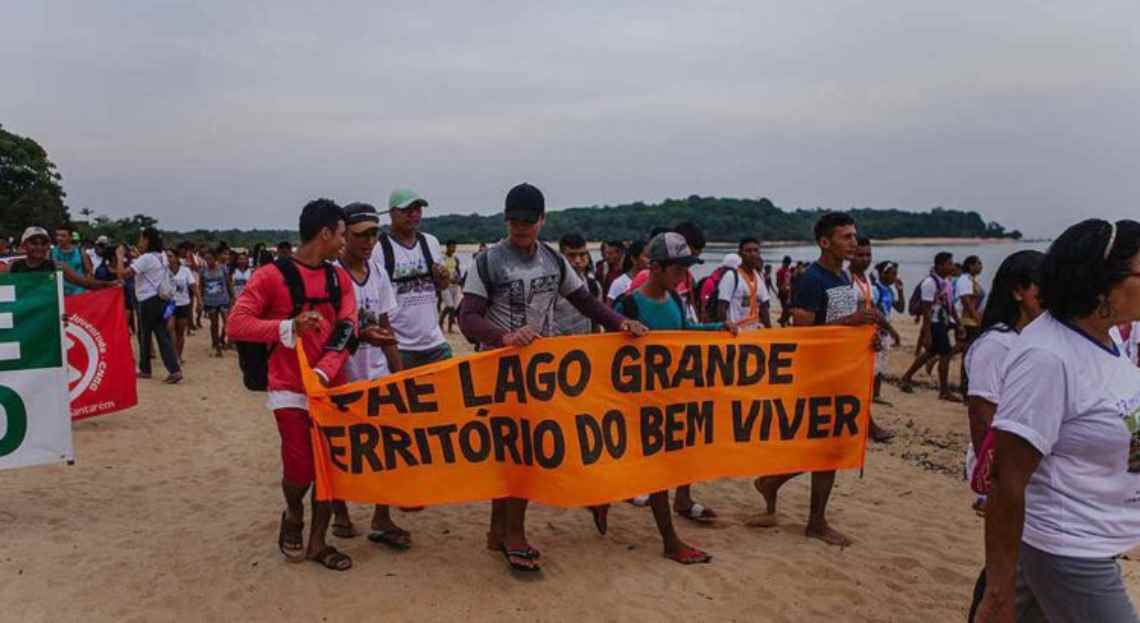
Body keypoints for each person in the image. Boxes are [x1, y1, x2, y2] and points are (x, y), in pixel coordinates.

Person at [457, 182, 647, 573]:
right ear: (505, 219)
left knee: (522, 452)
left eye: (528, 221)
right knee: (518, 453)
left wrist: (620, 322)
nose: (520, 227)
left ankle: (498, 531)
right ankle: (514, 535)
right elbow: (467, 317)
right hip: (499, 371)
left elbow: (585, 301)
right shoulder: (488, 261)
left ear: (542, 220)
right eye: (514, 220)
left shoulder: (554, 261)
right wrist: (504, 337)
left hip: (540, 372)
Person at [974, 219, 1140, 623]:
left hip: (1095, 535)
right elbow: (1007, 479)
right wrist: (998, 590)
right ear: (1102, 283)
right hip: (1069, 549)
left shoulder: (1106, 338)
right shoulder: (1048, 358)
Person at [227, 198, 357, 572]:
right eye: (343, 234)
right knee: (299, 467)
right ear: (326, 233)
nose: (345, 242)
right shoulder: (270, 276)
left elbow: (348, 327)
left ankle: (318, 542)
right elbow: (237, 323)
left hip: (330, 386)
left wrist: (324, 372)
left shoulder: (339, 279)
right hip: (288, 386)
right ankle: (294, 511)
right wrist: (288, 327)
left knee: (328, 468)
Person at [751, 213, 879, 547]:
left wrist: (865, 338)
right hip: (817, 377)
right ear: (825, 242)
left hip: (842, 373)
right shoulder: (811, 279)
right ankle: (814, 521)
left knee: (826, 449)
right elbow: (803, 334)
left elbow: (842, 326)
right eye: (846, 237)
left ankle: (773, 484)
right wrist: (852, 321)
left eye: (855, 236)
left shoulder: (843, 277)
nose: (854, 242)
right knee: (828, 451)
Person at [613, 231, 739, 563]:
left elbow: (684, 332)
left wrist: (718, 329)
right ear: (655, 267)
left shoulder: (674, 300)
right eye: (678, 269)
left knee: (660, 468)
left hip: (669, 398)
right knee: (653, 470)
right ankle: (670, 541)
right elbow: (605, 350)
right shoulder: (628, 304)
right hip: (638, 402)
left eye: (686, 268)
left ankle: (603, 503)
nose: (684, 275)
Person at [327, 203, 410, 550]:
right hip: (341, 375)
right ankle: (340, 511)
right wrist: (360, 335)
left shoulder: (377, 273)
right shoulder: (331, 276)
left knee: (386, 447)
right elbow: (325, 333)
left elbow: (387, 327)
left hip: (377, 373)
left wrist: (399, 374)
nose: (369, 241)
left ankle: (381, 515)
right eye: (361, 235)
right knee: (339, 448)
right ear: (345, 235)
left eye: (374, 234)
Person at [372, 188, 452, 368]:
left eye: (418, 209)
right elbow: (378, 304)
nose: (414, 214)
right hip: (401, 346)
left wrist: (444, 277)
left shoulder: (430, 242)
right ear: (392, 213)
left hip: (435, 343)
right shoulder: (379, 249)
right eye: (407, 210)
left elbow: (442, 286)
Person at [116, 227, 183, 384]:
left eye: (141, 238)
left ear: (147, 240)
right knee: (162, 335)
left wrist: (119, 257)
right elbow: (151, 268)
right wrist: (138, 257)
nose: (139, 242)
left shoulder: (146, 258)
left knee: (144, 335)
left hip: (147, 300)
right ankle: (174, 369)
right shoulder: (162, 256)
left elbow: (123, 274)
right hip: (160, 299)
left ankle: (145, 369)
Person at [848, 239, 898, 445]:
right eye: (860, 255)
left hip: (865, 339)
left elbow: (872, 309)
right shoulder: (846, 279)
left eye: (868, 255)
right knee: (855, 386)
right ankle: (869, 427)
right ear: (850, 255)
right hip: (849, 340)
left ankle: (865, 425)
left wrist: (885, 329)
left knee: (860, 386)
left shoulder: (866, 279)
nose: (865, 259)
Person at [899, 252, 962, 401]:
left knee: (931, 352)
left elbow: (950, 305)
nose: (952, 266)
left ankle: (906, 377)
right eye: (949, 263)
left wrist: (958, 323)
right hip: (934, 323)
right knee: (945, 354)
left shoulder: (946, 282)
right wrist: (927, 334)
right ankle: (944, 391)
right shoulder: (929, 283)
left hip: (942, 321)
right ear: (940, 265)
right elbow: (926, 310)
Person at [716, 237, 772, 329]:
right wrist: (726, 326)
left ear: (759, 253)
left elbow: (764, 307)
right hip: (737, 332)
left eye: (755, 250)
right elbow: (721, 307)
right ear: (740, 254)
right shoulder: (731, 276)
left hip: (755, 330)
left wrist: (769, 331)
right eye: (748, 251)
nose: (752, 254)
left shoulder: (759, 277)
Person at [870, 261, 906, 404]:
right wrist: (890, 330)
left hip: (885, 331)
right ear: (883, 274)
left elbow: (900, 308)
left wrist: (900, 291)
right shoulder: (875, 289)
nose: (895, 277)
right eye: (893, 274)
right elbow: (873, 311)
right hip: (876, 331)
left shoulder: (889, 290)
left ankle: (876, 394)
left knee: (882, 363)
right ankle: (871, 393)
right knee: (874, 363)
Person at [555, 233, 603, 336]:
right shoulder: (551, 286)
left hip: (586, 342)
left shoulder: (593, 285)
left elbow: (597, 320)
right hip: (557, 342)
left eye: (582, 255)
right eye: (571, 255)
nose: (577, 260)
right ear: (561, 256)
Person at [955, 255, 986, 397]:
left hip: (973, 320)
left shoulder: (972, 280)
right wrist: (977, 318)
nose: (981, 266)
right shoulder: (964, 280)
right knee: (969, 353)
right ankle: (965, 386)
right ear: (970, 265)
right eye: (978, 263)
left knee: (968, 351)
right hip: (969, 321)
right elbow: (966, 302)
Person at [200, 248, 234, 358]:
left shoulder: (223, 268)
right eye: (206, 259)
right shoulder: (203, 271)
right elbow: (201, 286)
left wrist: (232, 297)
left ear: (215, 258)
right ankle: (217, 345)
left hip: (224, 299)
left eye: (210, 258)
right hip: (210, 301)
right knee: (214, 324)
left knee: (227, 322)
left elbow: (228, 283)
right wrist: (201, 300)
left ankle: (223, 339)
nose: (208, 261)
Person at [167, 250, 195, 362]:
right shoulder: (164, 271)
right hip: (169, 304)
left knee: (180, 332)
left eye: (170, 256)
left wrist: (199, 299)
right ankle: (174, 355)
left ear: (176, 257)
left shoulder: (185, 270)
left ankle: (179, 355)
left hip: (183, 304)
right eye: (167, 256)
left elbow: (193, 285)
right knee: (170, 329)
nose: (168, 258)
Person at [52, 223, 94, 296]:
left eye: (63, 236)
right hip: (59, 294)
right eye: (57, 235)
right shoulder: (51, 252)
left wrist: (87, 288)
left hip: (79, 293)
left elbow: (89, 271)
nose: (59, 238)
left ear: (70, 237)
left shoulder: (80, 251)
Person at [606, 240, 648, 305]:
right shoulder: (619, 283)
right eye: (646, 256)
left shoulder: (655, 281)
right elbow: (609, 308)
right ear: (634, 259)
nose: (650, 260)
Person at [438, 239, 463, 334]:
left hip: (455, 286)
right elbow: (440, 273)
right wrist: (447, 280)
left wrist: (460, 281)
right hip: (445, 286)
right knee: (450, 306)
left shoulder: (455, 258)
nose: (453, 249)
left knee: (453, 308)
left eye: (455, 247)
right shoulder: (442, 259)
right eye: (452, 247)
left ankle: (449, 328)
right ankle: (440, 323)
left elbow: (458, 271)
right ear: (447, 247)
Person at [776, 256, 794, 327]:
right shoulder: (780, 271)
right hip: (783, 292)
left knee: (787, 307)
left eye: (788, 263)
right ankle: (783, 321)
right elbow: (778, 283)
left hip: (788, 291)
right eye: (786, 263)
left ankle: (785, 320)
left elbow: (790, 281)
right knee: (785, 307)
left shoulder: (788, 270)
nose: (787, 264)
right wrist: (781, 289)